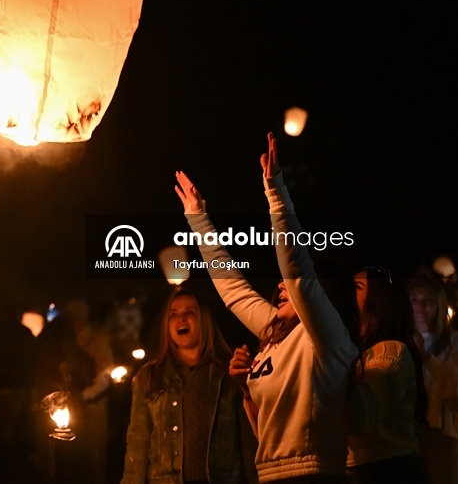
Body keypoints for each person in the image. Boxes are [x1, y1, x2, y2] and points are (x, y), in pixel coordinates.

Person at [175, 133, 360, 483]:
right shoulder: (275, 334)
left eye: (290, 286)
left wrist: (276, 192)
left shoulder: (326, 337)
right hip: (270, 475)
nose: (280, 286)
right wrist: (198, 220)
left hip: (313, 474)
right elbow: (234, 291)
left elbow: (297, 273)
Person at [122, 286, 258, 484]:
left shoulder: (228, 374)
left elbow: (248, 440)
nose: (181, 319)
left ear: (204, 319)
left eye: (189, 313)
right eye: (173, 314)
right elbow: (138, 442)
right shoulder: (150, 376)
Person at [346, 268, 429, 483]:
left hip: (390, 471)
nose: (345, 290)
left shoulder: (391, 352)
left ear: (377, 307)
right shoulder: (354, 353)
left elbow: (358, 414)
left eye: (356, 287)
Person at [407, 278, 458, 484]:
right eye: (414, 299)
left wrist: (427, 359)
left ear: (439, 304)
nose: (420, 306)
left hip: (442, 438)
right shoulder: (398, 340)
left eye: (428, 300)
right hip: (405, 436)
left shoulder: (454, 341)